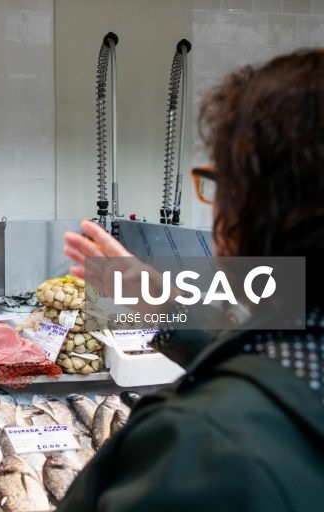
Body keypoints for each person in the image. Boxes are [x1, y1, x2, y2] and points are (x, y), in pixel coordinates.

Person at [58, 49, 324, 511]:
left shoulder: (204, 443)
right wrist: (162, 302)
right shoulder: (304, 345)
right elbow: (280, 370)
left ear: (250, 207)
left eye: (218, 183)